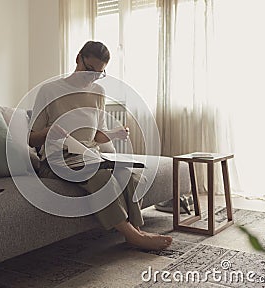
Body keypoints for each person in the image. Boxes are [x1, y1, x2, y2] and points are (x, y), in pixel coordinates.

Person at [29, 41, 172, 250]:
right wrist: (49, 132)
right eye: (90, 70)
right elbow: (31, 138)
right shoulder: (50, 90)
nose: (92, 77)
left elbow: (95, 135)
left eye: (99, 73)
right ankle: (132, 235)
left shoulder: (98, 92)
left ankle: (138, 229)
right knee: (102, 175)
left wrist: (115, 134)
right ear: (78, 58)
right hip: (57, 159)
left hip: (90, 155)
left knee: (129, 174)